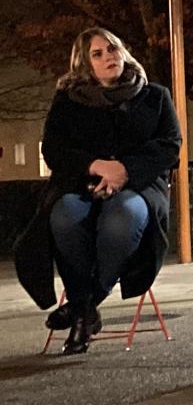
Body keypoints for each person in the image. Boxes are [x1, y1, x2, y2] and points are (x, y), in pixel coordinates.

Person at [15, 27, 182, 355]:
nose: (109, 57)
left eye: (113, 49)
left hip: (138, 186)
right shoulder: (68, 101)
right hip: (80, 186)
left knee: (121, 217)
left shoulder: (154, 96)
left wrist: (125, 171)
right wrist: (96, 165)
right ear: (84, 63)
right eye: (98, 53)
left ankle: (82, 308)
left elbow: (169, 146)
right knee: (64, 216)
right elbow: (54, 149)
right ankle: (85, 311)